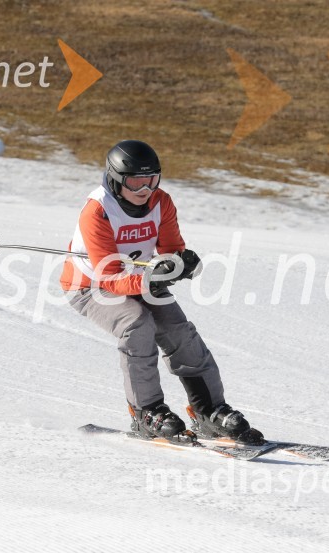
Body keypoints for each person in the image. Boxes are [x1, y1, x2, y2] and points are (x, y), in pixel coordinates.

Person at [60, 140, 264, 445]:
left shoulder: (161, 202)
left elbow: (170, 249)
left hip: (139, 279)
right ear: (116, 180)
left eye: (152, 180)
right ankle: (147, 412)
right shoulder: (98, 211)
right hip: (90, 286)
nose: (145, 189)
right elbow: (109, 275)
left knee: (178, 330)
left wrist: (181, 262)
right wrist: (147, 280)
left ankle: (209, 410)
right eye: (136, 182)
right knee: (136, 323)